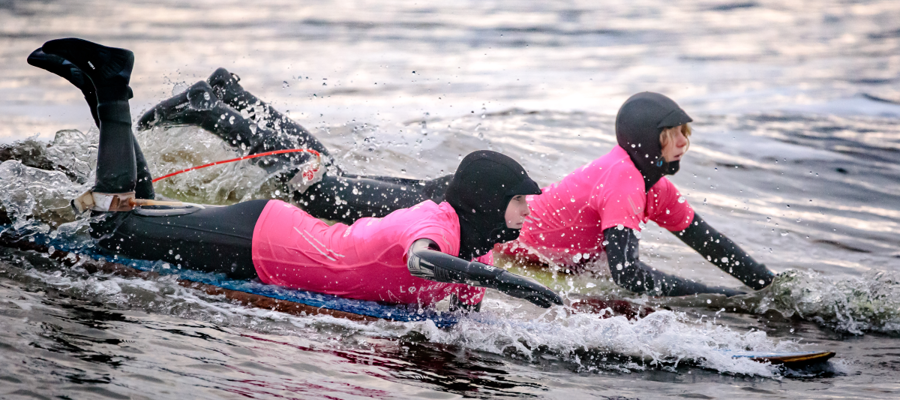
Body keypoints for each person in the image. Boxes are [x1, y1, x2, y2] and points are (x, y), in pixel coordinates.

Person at [30, 37, 563, 311]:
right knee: (112, 230)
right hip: (259, 244)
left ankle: (100, 89)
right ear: (489, 201)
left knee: (134, 211)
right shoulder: (437, 226)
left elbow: (465, 320)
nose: (529, 209)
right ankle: (113, 89)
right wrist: (520, 289)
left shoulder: (478, 244)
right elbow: (423, 261)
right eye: (521, 200)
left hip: (270, 233)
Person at [138, 75, 774, 298]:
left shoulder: (651, 185)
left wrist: (770, 289)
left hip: (463, 203)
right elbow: (632, 278)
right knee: (319, 187)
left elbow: (710, 242)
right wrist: (733, 303)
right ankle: (212, 108)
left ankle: (228, 97)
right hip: (444, 207)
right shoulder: (623, 183)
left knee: (324, 180)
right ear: (647, 139)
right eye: (676, 134)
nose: (685, 144)